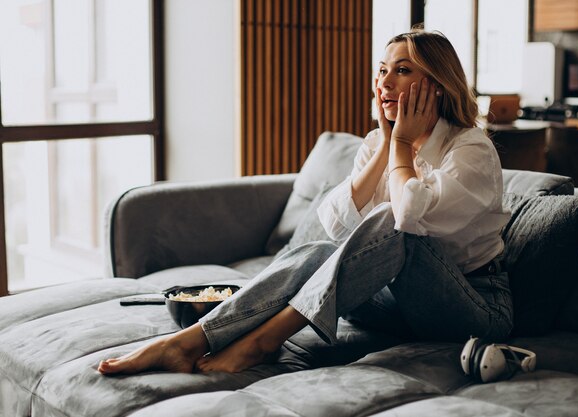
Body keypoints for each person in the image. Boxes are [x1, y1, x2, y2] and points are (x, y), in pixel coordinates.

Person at [98, 27, 513, 376]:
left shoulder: (471, 150)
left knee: (393, 222)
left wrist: (401, 143)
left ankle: (263, 341)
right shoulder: (378, 143)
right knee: (318, 252)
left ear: (437, 86)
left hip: (471, 307)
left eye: (402, 72)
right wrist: (389, 142)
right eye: (382, 71)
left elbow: (404, 218)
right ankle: (191, 339)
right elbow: (338, 226)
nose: (385, 83)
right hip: (394, 305)